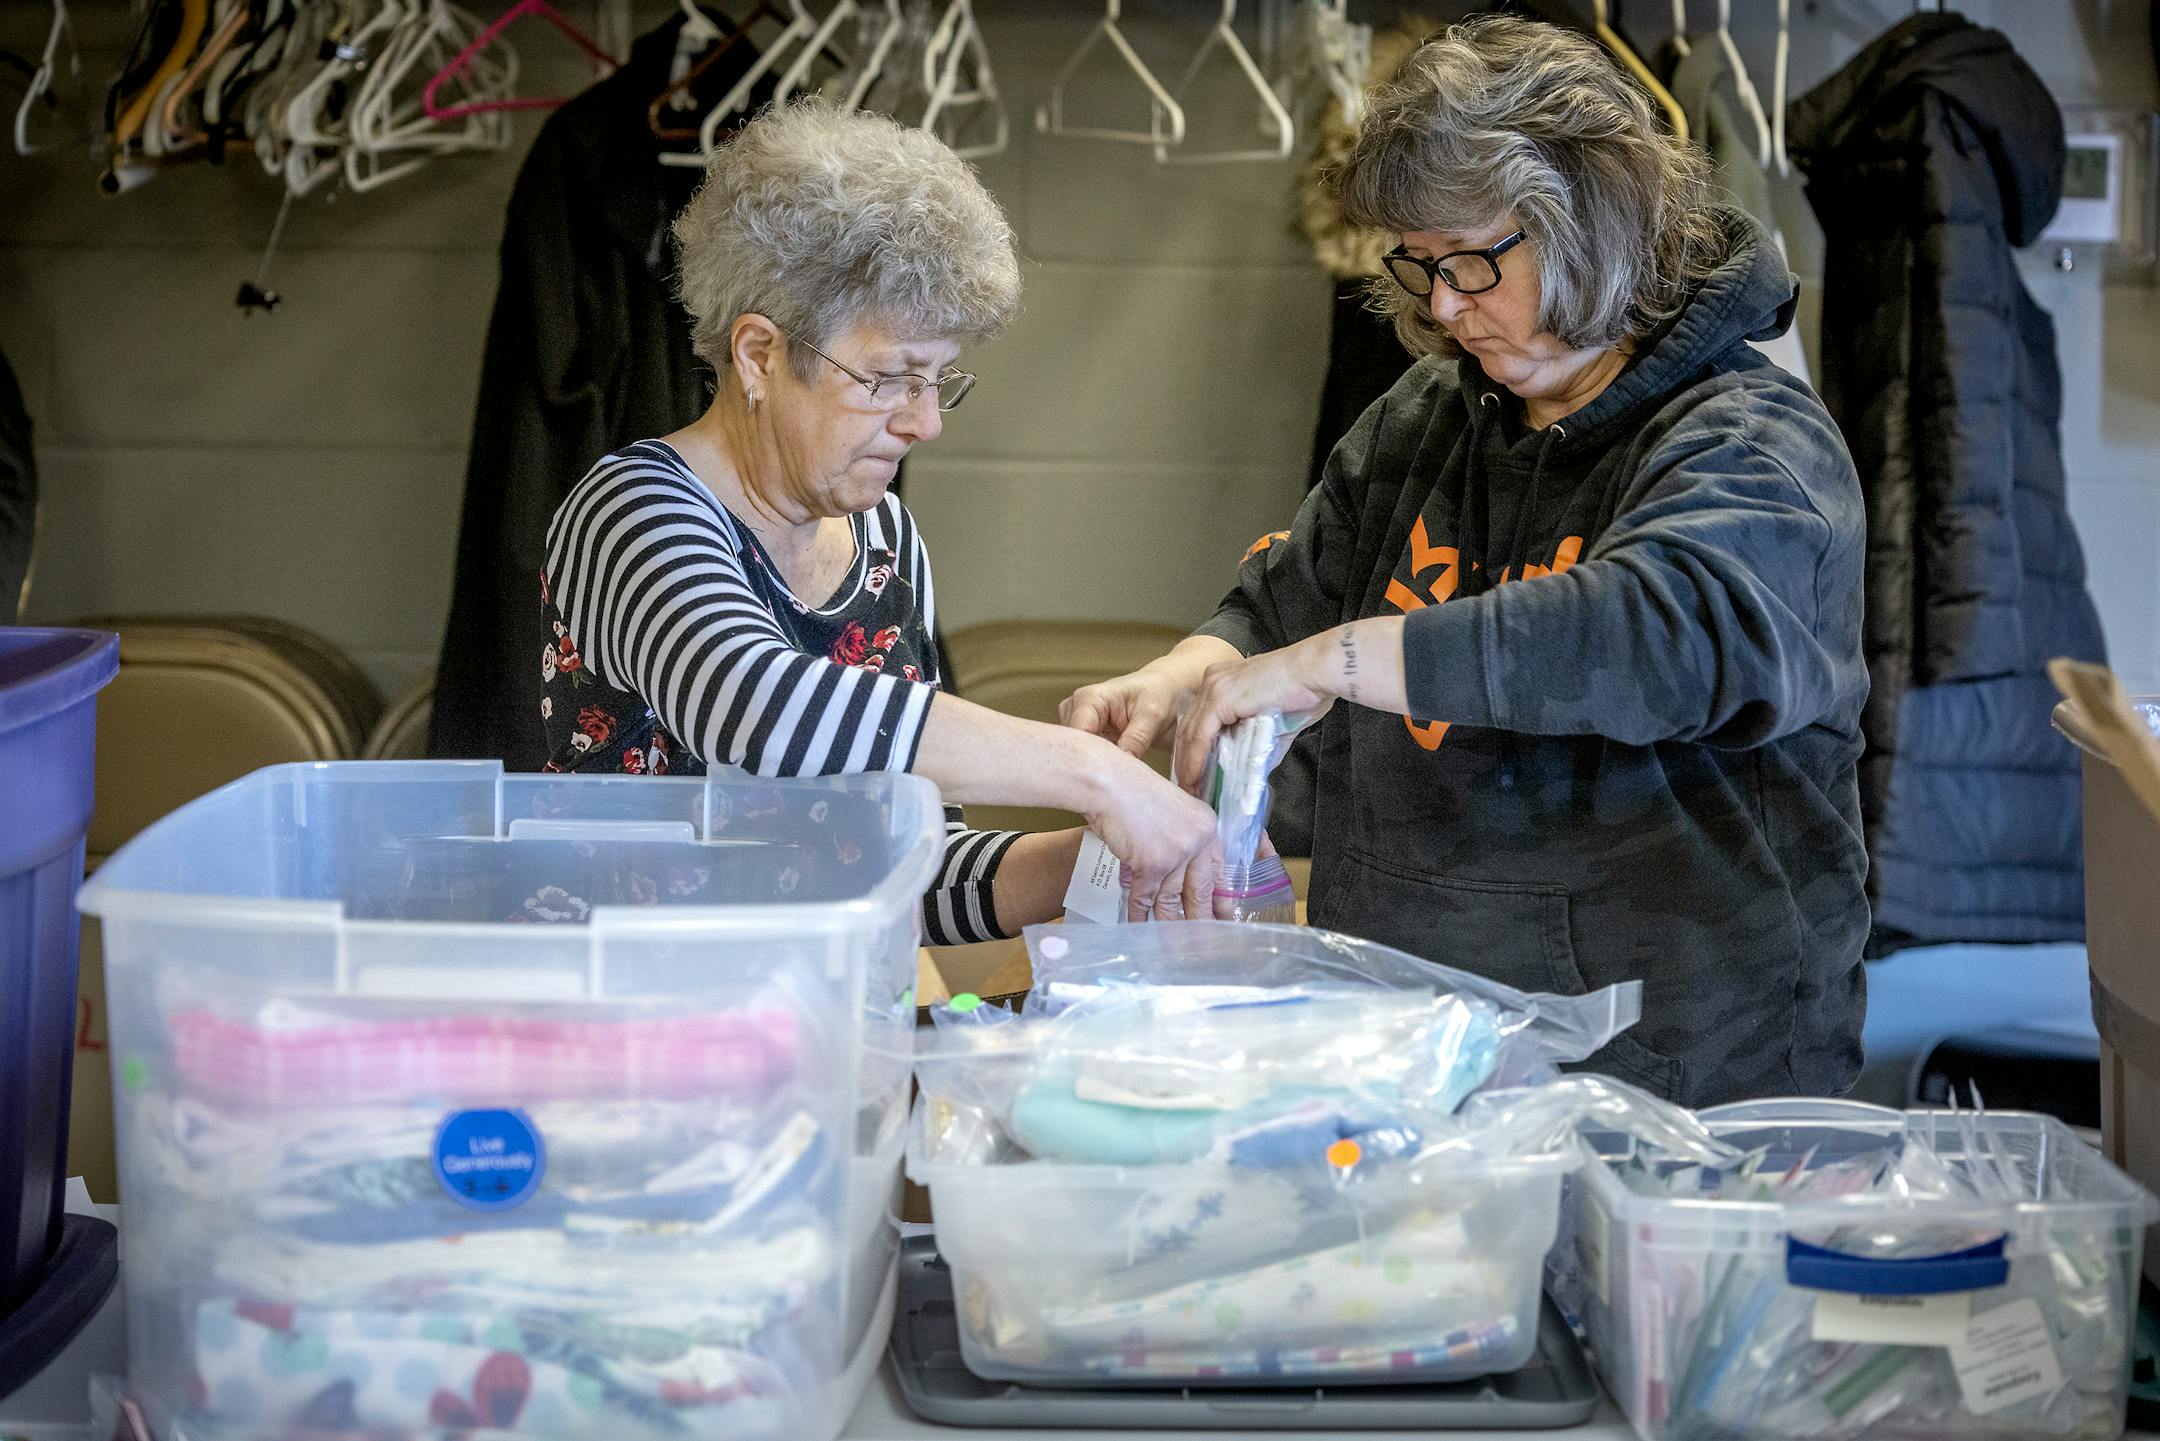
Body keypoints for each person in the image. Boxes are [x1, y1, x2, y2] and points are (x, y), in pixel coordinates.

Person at [1065, 16, 1870, 1106]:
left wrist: (1330, 662)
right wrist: (1178, 677)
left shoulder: (1752, 442)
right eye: (1424, 264)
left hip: (1674, 1077)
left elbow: (1658, 631)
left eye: (1477, 261)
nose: (1442, 303)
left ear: (1594, 221)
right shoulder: (1430, 413)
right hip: (1413, 1053)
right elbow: (1288, 595)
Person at [536, 101, 1219, 943]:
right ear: (759, 355)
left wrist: (1116, 857)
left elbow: (904, 870)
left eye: (939, 381)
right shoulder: (632, 511)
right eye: (891, 377)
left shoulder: (887, 544)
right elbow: (754, 704)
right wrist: (1097, 775)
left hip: (829, 1036)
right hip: (645, 1039)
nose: (924, 423)